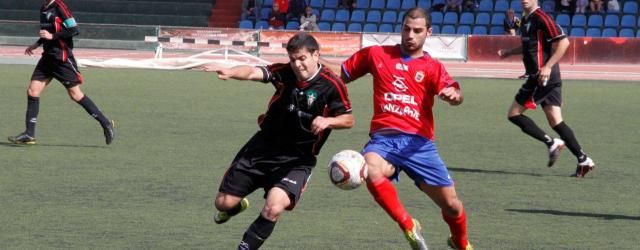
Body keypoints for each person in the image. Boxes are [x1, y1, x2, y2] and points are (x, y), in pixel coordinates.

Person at [321, 7, 473, 250]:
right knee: (370, 167)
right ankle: (408, 225)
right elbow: (342, 73)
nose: (410, 35)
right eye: (406, 29)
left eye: (417, 31)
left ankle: (460, 242)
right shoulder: (376, 54)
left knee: (452, 205)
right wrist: (313, 59)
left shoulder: (432, 67)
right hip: (384, 141)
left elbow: (456, 92)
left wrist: (454, 95)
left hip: (419, 144)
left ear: (428, 33)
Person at [204, 32, 354, 250]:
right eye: (293, 59)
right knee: (223, 203)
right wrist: (231, 72)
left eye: (302, 58)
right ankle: (234, 207)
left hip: (297, 160)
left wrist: (328, 120)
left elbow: (348, 119)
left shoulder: (332, 85)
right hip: (262, 149)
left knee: (274, 207)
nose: (297, 65)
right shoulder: (285, 73)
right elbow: (253, 72)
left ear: (316, 55)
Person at [497, 0, 596, 178]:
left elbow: (564, 43)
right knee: (556, 121)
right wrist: (509, 52)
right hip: (546, 77)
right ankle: (584, 160)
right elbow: (530, 46)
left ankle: (551, 143)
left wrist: (548, 66)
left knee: (514, 114)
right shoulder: (526, 20)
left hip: (542, 78)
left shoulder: (543, 17)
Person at [8, 0, 114, 145]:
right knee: (33, 91)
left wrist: (52, 37)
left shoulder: (60, 6)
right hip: (47, 58)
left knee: (75, 95)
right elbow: (48, 31)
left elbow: (74, 29)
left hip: (61, 58)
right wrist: (37, 44)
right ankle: (29, 134)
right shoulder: (44, 7)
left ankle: (106, 122)